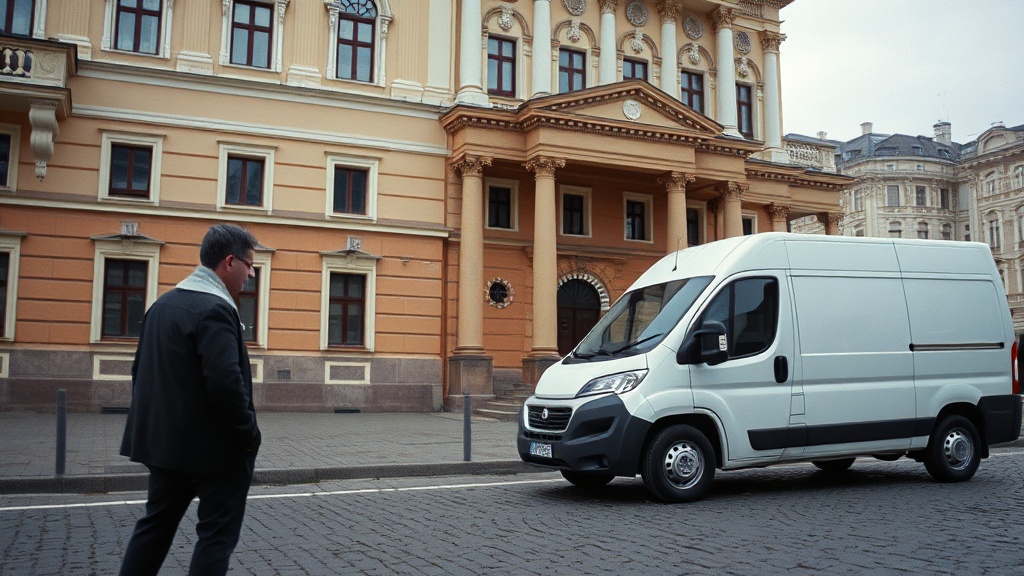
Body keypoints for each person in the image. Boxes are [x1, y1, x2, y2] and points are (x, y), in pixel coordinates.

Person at [119, 223, 262, 576]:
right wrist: (249, 435)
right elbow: (226, 384)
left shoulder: (162, 305)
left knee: (154, 528)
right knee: (216, 536)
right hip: (214, 451)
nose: (251, 273)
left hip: (165, 447)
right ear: (229, 262)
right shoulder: (216, 309)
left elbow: (140, 373)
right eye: (249, 264)